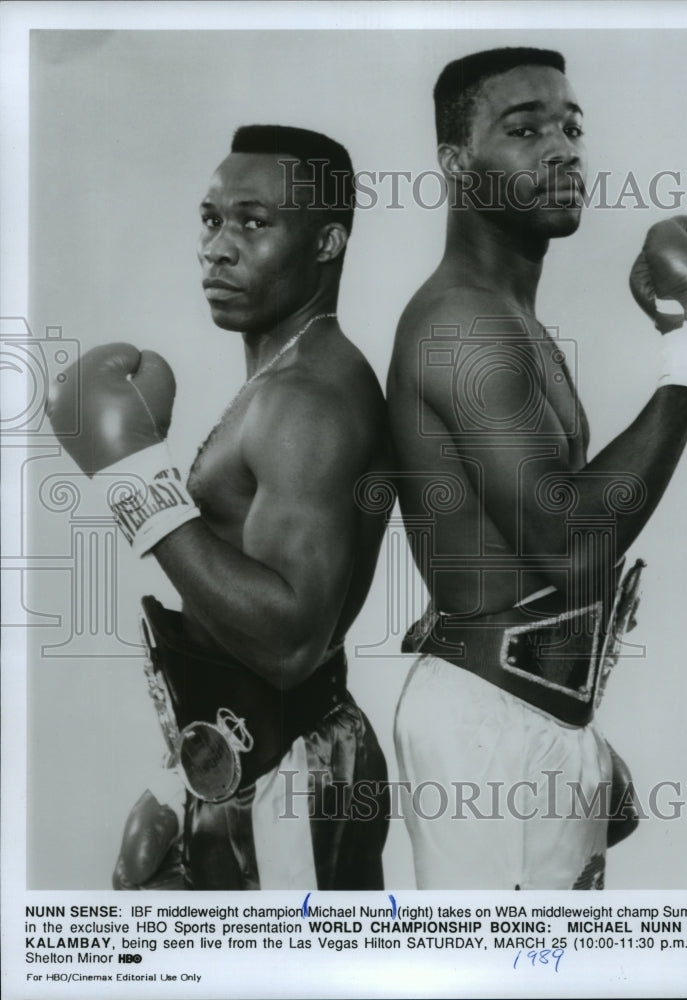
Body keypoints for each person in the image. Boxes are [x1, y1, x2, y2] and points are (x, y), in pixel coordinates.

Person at [388, 48, 687, 889]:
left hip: (522, 713)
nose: (562, 149)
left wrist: (572, 719)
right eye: (523, 130)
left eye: (571, 126)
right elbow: (566, 543)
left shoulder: (504, 315)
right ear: (455, 164)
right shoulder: (462, 328)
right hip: (491, 730)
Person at [48, 125, 392, 890]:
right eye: (210, 219)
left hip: (286, 768)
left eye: (254, 222)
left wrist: (136, 481)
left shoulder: (305, 402)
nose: (218, 247)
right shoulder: (285, 377)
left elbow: (287, 642)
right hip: (256, 748)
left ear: (328, 241)